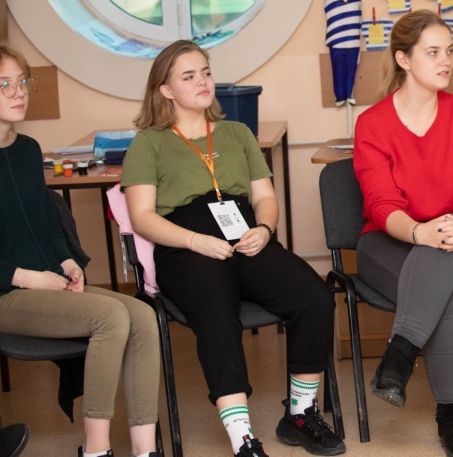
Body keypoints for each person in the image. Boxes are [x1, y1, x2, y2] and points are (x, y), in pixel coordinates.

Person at [122, 40, 344, 457]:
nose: (202, 82)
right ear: (165, 90)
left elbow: (265, 197)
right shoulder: (148, 143)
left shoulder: (238, 133)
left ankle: (300, 415)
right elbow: (142, 217)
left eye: (206, 72)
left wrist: (265, 228)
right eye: (189, 76)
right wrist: (194, 240)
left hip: (243, 234)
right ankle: (243, 437)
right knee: (215, 308)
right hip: (184, 244)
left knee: (314, 296)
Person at [354, 10, 453, 457]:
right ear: (403, 59)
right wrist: (422, 233)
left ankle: (399, 354)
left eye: (450, 51)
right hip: (393, 240)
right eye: (433, 52)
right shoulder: (372, 123)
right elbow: (382, 205)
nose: (446, 61)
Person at [0, 45, 161, 457]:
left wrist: (68, 262)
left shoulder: (27, 149)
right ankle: (96, 450)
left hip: (45, 285)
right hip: (7, 293)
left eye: (22, 81)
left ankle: (144, 450)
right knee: (110, 316)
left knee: (143, 315)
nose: (19, 92)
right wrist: (29, 278)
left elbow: (46, 224)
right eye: (4, 84)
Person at [324, 0, 365, 107]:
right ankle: (340, 96)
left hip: (353, 42)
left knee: (351, 70)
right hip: (336, 42)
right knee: (338, 70)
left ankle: (349, 94)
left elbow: (359, 22)